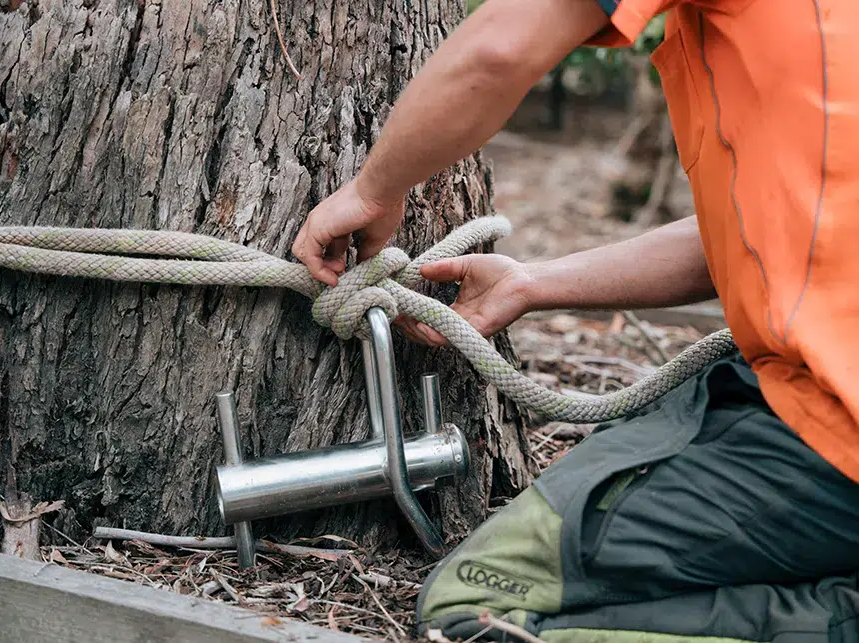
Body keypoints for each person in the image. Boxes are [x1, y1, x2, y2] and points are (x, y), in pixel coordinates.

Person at [293, 0, 859, 640]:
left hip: (833, 430)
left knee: (475, 611)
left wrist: (373, 190)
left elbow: (500, 49)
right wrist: (533, 283)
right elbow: (766, 236)